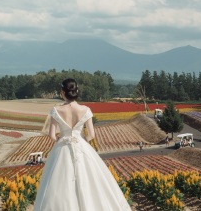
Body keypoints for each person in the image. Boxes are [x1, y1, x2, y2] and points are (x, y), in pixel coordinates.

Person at [32, 78, 131, 211]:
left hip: (63, 147)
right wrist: (80, 141)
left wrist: (62, 141)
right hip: (81, 146)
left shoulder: (56, 110)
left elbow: (51, 135)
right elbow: (91, 135)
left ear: (62, 92)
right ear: (76, 91)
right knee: (92, 182)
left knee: (60, 185)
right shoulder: (85, 110)